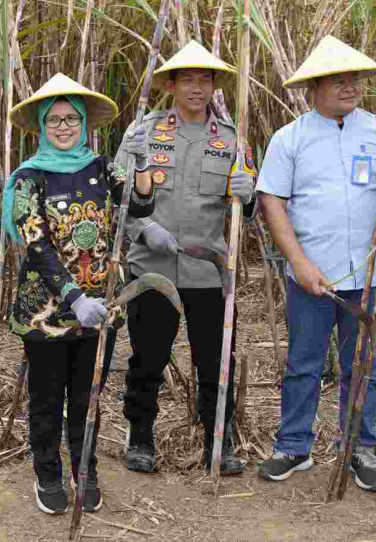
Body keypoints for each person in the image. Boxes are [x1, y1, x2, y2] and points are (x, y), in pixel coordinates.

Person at [256, 36, 376, 491]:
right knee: (303, 363)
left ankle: (360, 446)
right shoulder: (290, 137)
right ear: (315, 86)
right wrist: (300, 264)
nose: (349, 87)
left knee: (363, 365)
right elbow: (272, 201)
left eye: (354, 79)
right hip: (312, 274)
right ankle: (293, 446)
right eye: (338, 80)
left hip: (371, 274)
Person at [1, 73, 155, 515]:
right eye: (55, 121)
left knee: (87, 396)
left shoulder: (105, 167)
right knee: (47, 398)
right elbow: (36, 244)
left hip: (101, 306)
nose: (65, 127)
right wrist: (74, 299)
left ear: (85, 124)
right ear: (43, 127)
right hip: (47, 310)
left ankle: (85, 470)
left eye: (72, 119)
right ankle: (48, 473)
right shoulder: (31, 177)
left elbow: (141, 206)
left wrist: (142, 163)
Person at [115, 41, 256, 477]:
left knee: (216, 360)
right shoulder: (144, 131)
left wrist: (246, 197)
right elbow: (118, 190)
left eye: (205, 79)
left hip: (207, 271)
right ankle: (140, 436)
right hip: (150, 268)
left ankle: (220, 437)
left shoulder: (234, 139)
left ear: (215, 86)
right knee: (147, 358)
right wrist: (142, 229)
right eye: (188, 80)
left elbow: (246, 211)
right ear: (172, 85)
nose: (197, 88)